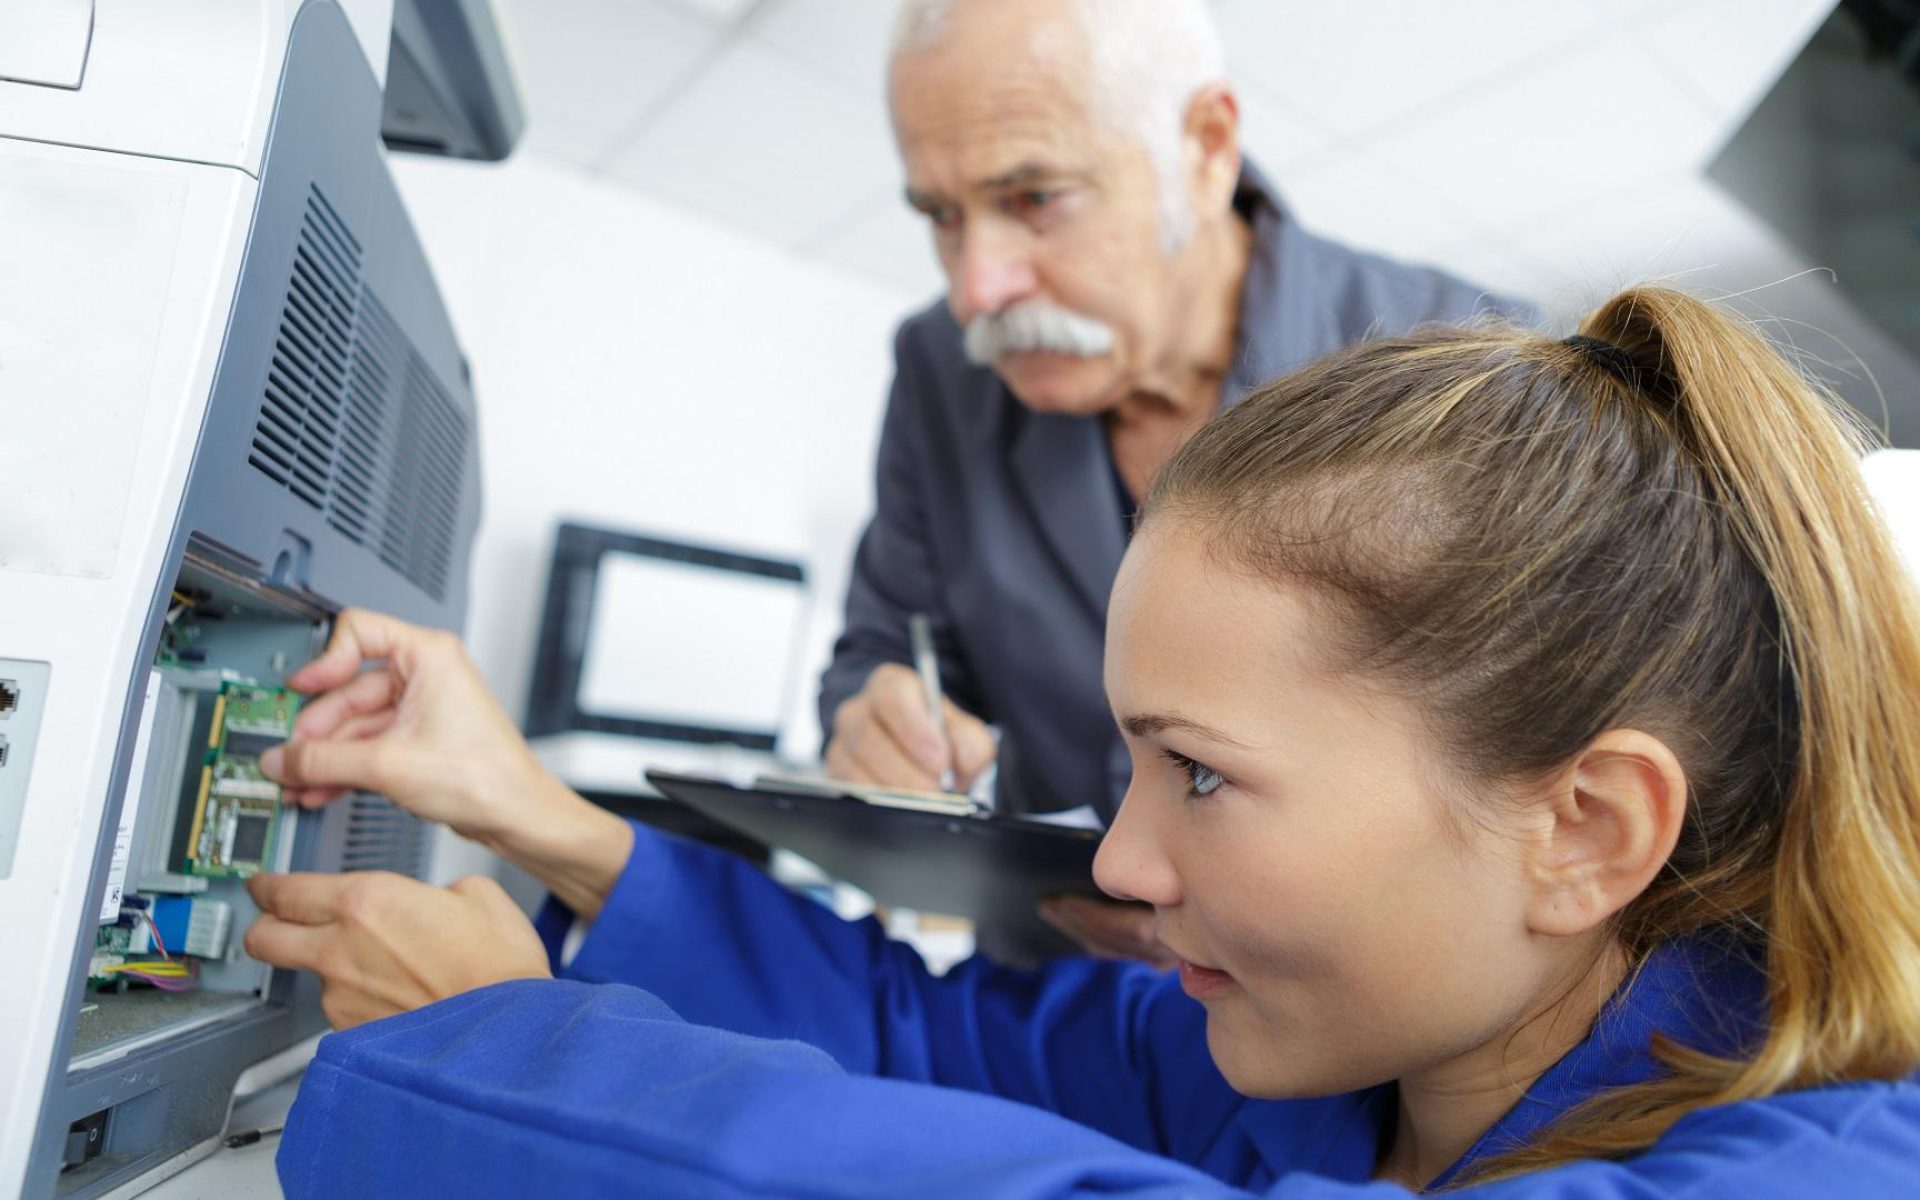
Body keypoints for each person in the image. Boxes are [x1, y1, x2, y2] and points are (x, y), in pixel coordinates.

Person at [249, 286, 1920, 1197]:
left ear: (1586, 828)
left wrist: (510, 1050)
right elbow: (938, 1044)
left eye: (1198, 772)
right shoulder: (1354, 1064)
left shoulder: (1834, 1171)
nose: (1116, 864)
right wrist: (535, 817)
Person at [817, 0, 1535, 959]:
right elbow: (877, 650)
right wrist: (880, 720)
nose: (975, 287)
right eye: (944, 217)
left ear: (1205, 146)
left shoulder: (1474, 367)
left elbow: (1534, 765)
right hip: (1055, 994)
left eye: (1036, 199)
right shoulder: (939, 372)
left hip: (1346, 1021)